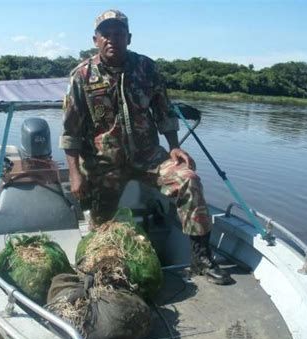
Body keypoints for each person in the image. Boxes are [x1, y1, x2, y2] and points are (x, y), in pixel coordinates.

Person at [59, 9, 232, 285]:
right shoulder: (82, 76)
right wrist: (75, 174)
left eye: (118, 34)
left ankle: (201, 258)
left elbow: (164, 112)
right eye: (106, 35)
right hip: (103, 163)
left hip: (147, 156)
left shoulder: (147, 68)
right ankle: (97, 266)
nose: (112, 40)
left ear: (129, 38)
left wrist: (174, 147)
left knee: (188, 179)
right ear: (96, 40)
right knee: (101, 227)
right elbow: (71, 132)